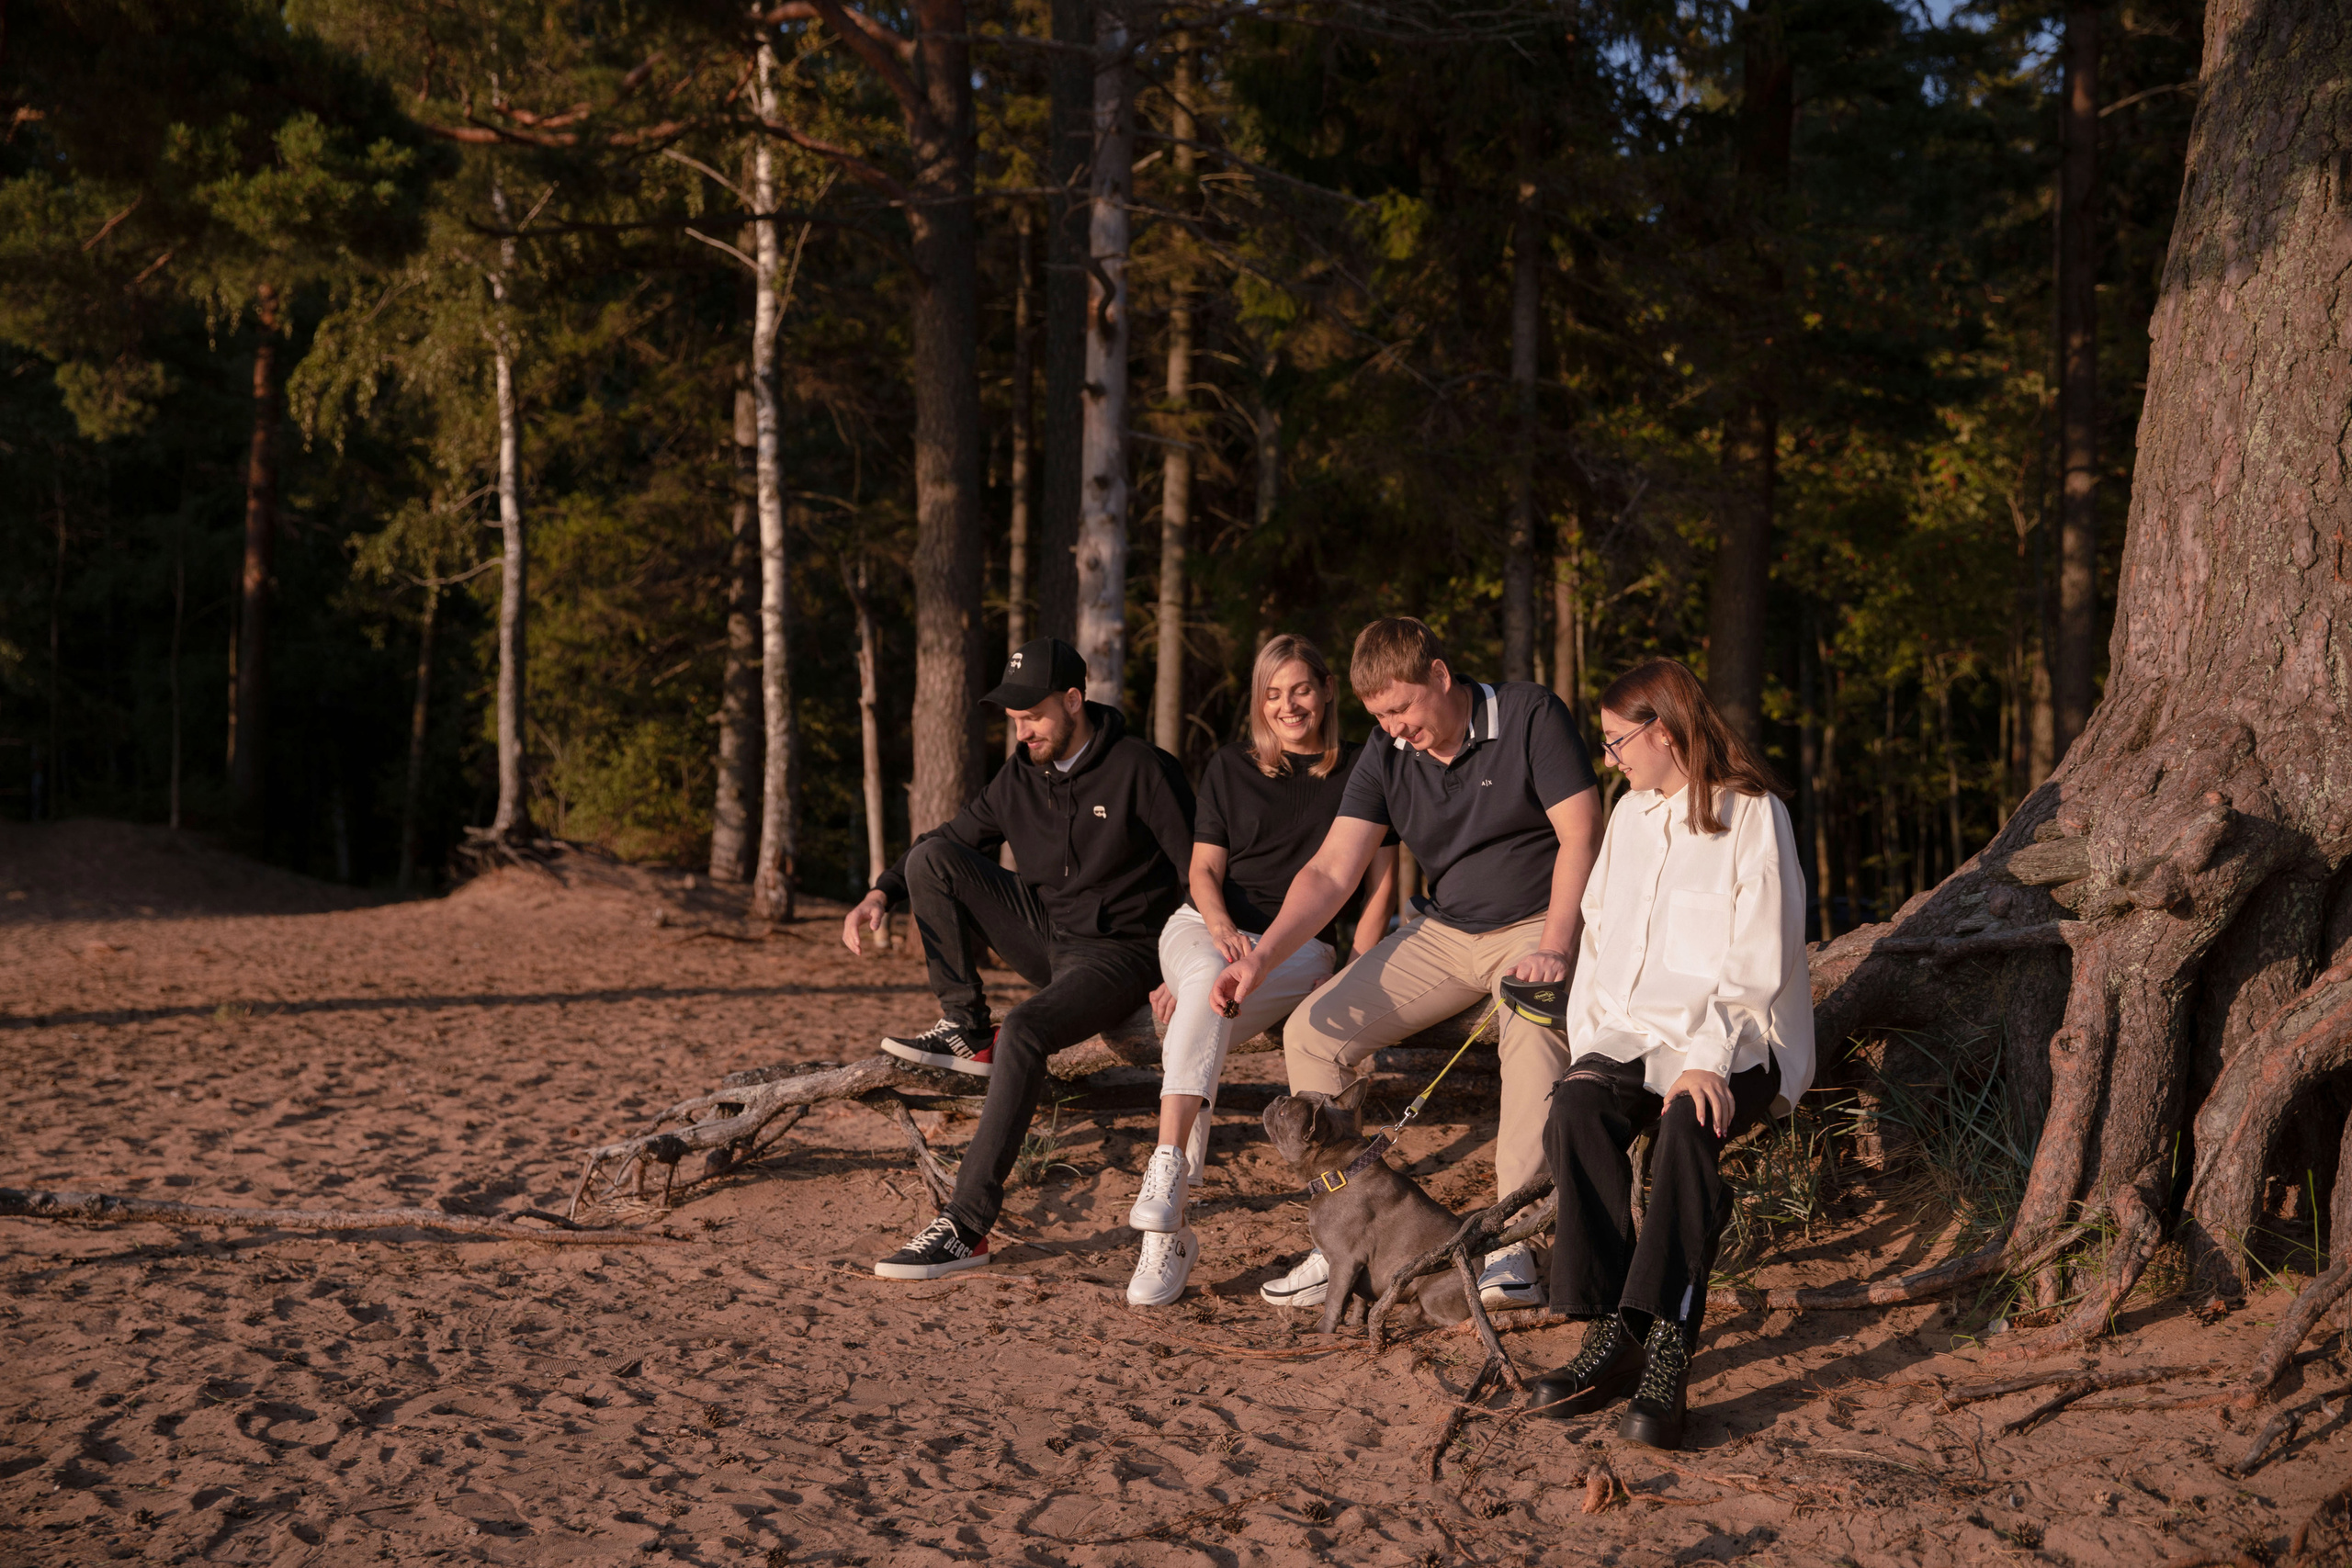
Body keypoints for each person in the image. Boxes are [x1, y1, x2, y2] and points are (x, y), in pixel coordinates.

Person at [1214, 617, 1604, 1312]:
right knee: (1313, 1031)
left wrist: (1555, 944)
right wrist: (1262, 958)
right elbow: (1332, 871)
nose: (1394, 728)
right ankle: (1343, 1237)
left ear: (1441, 676)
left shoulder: (1529, 714)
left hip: (1536, 924)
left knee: (1533, 1029)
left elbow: (1582, 832)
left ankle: (1514, 1245)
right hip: (1444, 931)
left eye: (1401, 708)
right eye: (1379, 716)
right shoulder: (1387, 751)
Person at [1524, 658, 1815, 1450]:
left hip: (1740, 1037)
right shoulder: (1629, 815)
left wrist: (1709, 1057)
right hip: (1634, 1032)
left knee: (1687, 1125)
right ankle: (1614, 1330)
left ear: (1666, 730)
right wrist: (1591, 1050)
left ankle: (1668, 1345)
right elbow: (1601, 942)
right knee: (1576, 1107)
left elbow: (1762, 953)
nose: (1609, 756)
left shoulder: (1752, 813)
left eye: (1618, 740)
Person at [842, 637, 1194, 1280]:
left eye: (1032, 716)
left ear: (1073, 700)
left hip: (1121, 953)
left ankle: (965, 1226)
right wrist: (880, 892)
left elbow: (1200, 872)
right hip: (1047, 932)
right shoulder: (1020, 775)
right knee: (931, 859)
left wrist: (1185, 968)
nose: (1022, 731)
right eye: (1013, 719)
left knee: (1027, 1028)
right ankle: (966, 1026)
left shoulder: (1143, 769)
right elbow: (948, 839)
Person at [1125, 636, 1398, 1307]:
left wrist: (1356, 965)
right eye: (1272, 694)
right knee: (1206, 982)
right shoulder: (1229, 766)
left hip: (1299, 949)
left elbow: (1381, 884)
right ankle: (1168, 1174)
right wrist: (1221, 931)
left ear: (1327, 689)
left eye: (1300, 688)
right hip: (1203, 928)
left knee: (1201, 1002)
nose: (1287, 705)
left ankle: (1165, 1223)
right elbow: (1202, 871)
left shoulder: (1365, 767)